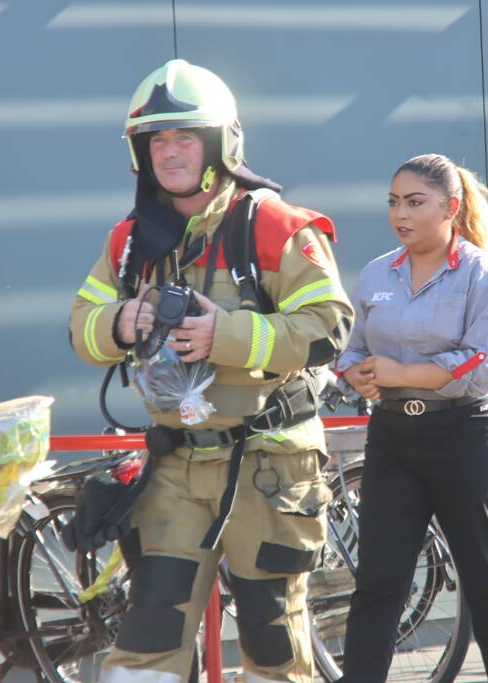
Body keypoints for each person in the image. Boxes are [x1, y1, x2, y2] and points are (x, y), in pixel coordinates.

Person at [67, 59, 353, 683]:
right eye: (157, 139)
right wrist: (120, 323)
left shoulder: (277, 226)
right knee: (150, 633)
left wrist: (224, 335)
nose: (169, 152)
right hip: (175, 468)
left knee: (271, 641)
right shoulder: (129, 242)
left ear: (222, 143)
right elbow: (80, 325)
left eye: (185, 137)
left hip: (269, 466)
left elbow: (329, 327)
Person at [336, 153, 488, 683]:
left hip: (466, 436)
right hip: (394, 438)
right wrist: (354, 373)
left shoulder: (481, 274)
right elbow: (352, 348)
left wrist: (402, 370)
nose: (400, 214)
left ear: (450, 207)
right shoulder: (379, 272)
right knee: (378, 584)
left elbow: (480, 366)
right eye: (394, 202)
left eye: (415, 202)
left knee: (487, 585)